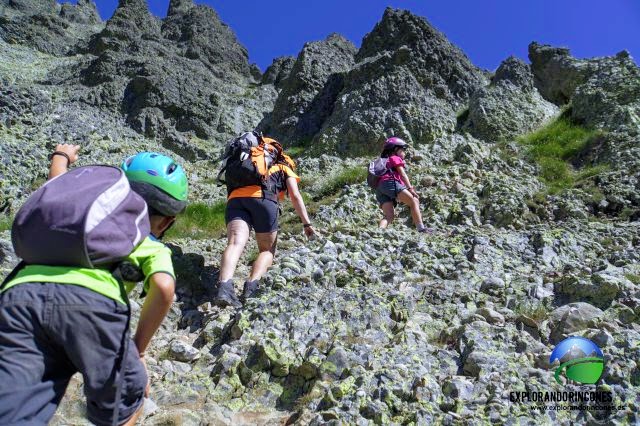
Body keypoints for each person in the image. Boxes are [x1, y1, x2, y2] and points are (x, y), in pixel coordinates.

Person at [0, 144, 188, 425]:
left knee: (12, 406)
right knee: (128, 394)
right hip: (92, 307)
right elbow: (163, 288)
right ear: (167, 222)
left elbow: (56, 185)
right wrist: (139, 350)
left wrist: (61, 157)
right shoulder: (149, 243)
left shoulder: (74, 217)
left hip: (19, 295)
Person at [213, 136, 316, 308]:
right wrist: (307, 224)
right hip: (263, 201)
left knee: (235, 243)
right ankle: (251, 288)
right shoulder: (283, 166)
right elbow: (295, 196)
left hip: (235, 201)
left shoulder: (244, 161)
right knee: (267, 250)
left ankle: (224, 287)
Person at [375, 137, 428, 232]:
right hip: (390, 182)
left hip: (379, 188)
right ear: (395, 149)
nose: (404, 152)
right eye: (402, 149)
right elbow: (402, 174)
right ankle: (421, 229)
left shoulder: (384, 161)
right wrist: (410, 188)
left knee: (389, 216)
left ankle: (379, 231)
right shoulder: (394, 158)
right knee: (414, 200)